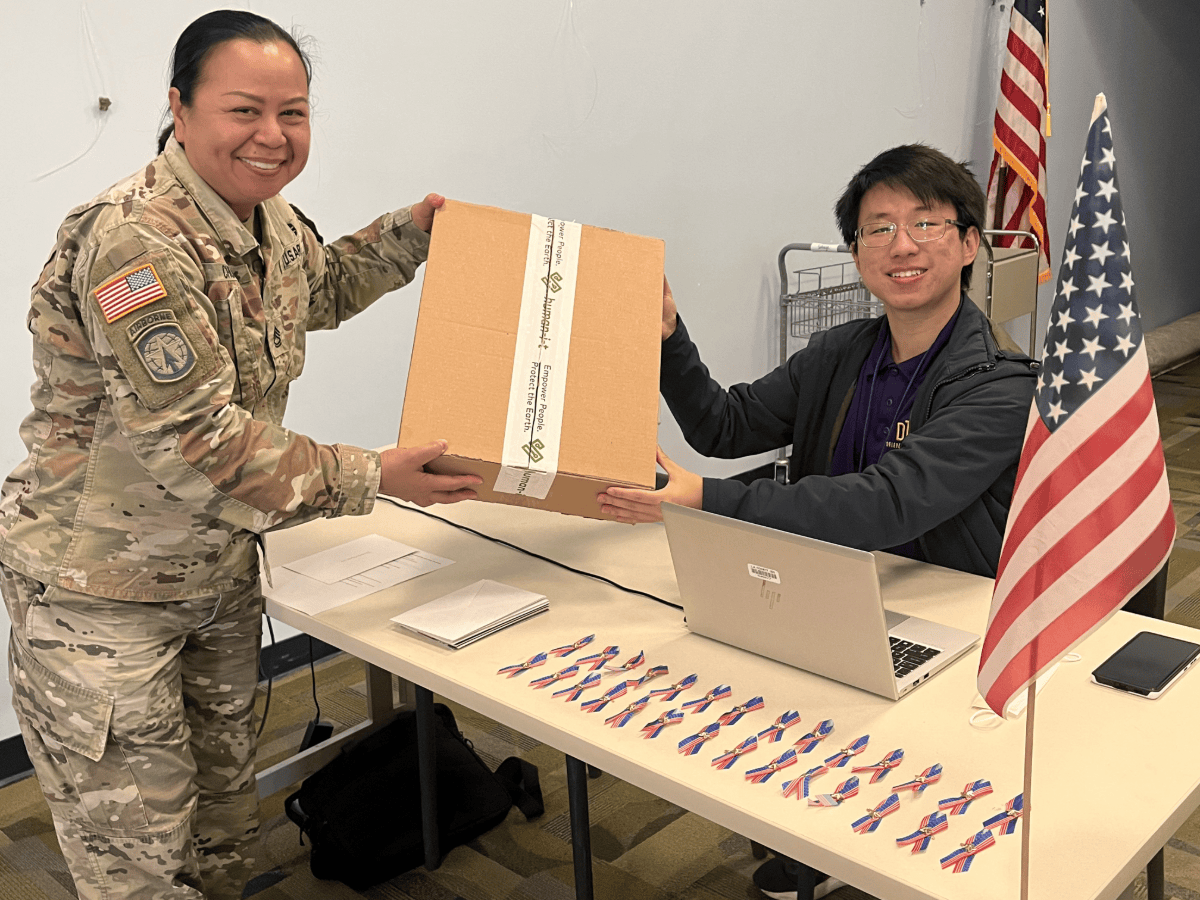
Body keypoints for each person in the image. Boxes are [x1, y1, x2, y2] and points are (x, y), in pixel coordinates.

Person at [1, 10, 480, 900]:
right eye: (244, 110)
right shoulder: (133, 240)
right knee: (139, 863)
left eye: (292, 113)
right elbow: (194, 441)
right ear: (179, 110)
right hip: (100, 602)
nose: (273, 136)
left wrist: (413, 234)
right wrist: (373, 475)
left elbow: (321, 286)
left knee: (223, 828)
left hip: (212, 578)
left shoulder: (264, 222)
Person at [600, 143, 1038, 898]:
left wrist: (706, 499)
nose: (901, 246)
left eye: (926, 224)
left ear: (970, 244)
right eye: (878, 229)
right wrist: (668, 335)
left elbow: (883, 502)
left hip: (950, 614)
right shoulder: (840, 352)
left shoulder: (1001, 385)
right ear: (857, 251)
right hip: (836, 585)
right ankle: (828, 841)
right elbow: (725, 425)